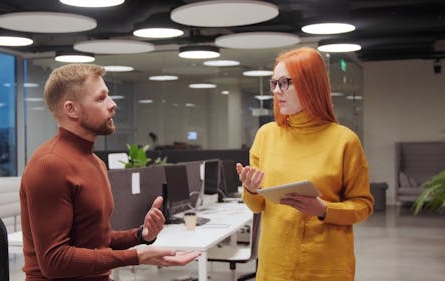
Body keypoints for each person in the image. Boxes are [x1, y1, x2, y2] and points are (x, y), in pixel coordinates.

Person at [19, 63, 200, 281]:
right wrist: (135, 256)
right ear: (71, 109)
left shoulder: (95, 162)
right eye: (101, 98)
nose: (112, 104)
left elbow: (96, 240)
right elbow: (54, 261)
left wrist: (141, 235)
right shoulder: (50, 164)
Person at [237, 47, 374, 281]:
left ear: (311, 84)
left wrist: (323, 210)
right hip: (274, 265)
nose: (277, 92)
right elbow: (257, 206)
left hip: (325, 267)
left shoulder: (344, 140)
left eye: (285, 83)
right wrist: (250, 189)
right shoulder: (265, 135)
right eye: (274, 84)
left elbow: (363, 206)